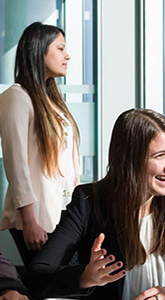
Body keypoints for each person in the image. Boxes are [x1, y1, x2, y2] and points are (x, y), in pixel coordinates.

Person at [24, 108, 165, 300]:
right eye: (160, 156)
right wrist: (85, 277)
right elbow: (35, 278)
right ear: (129, 160)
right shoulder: (89, 202)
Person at [0, 22, 80, 268]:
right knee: (48, 287)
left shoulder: (54, 102)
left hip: (64, 217)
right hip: (38, 220)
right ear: (39, 51)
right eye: (60, 48)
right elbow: (16, 164)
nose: (67, 55)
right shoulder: (17, 96)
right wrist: (29, 220)